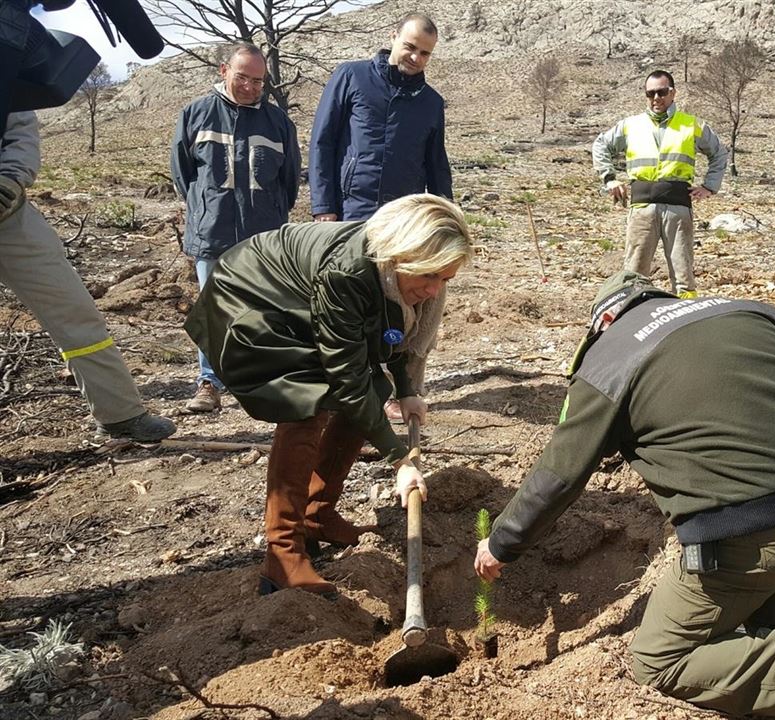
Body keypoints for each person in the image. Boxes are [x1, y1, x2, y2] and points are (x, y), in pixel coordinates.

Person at [473, 271, 775, 720]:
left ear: (603, 322)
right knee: (769, 545)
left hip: (762, 528)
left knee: (659, 660)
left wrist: (502, 543)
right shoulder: (744, 308)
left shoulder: (607, 360)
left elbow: (560, 475)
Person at [185, 194, 472, 596]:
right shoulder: (349, 272)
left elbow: (393, 337)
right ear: (402, 255)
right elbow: (347, 378)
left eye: (445, 279)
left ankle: (317, 515)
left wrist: (405, 389)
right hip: (253, 297)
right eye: (429, 276)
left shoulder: (400, 274)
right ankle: (283, 553)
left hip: (305, 299)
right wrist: (400, 460)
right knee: (305, 403)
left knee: (369, 394)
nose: (434, 289)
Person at [310, 11, 451, 424]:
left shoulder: (431, 103)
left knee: (400, 304)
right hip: (349, 214)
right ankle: (349, 386)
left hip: (402, 225)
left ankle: (400, 389)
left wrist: (445, 223)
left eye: (425, 53)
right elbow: (323, 143)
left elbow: (436, 165)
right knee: (351, 303)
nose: (416, 58)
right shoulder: (350, 77)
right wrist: (324, 207)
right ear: (393, 37)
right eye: (410, 47)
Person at [0, 111, 174, 442]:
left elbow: (20, 130)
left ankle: (120, 414)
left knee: (73, 309)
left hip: (10, 215)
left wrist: (11, 177)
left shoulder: (7, 80)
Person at [171, 42, 300, 414]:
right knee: (214, 310)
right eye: (243, 77)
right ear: (223, 70)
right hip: (212, 232)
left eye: (258, 81)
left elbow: (289, 180)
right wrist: (208, 208)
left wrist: (272, 215)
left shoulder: (278, 123)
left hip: (264, 235)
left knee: (264, 309)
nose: (250, 87)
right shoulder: (195, 114)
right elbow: (182, 174)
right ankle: (210, 383)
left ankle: (262, 384)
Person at [591, 71, 728, 298]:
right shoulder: (630, 125)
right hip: (641, 209)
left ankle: (685, 315)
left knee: (683, 275)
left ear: (673, 93)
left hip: (678, 209)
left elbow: (719, 153)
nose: (656, 98)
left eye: (662, 92)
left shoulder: (692, 125)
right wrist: (609, 178)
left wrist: (709, 186)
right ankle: (634, 314)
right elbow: (600, 145)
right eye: (650, 93)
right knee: (634, 274)